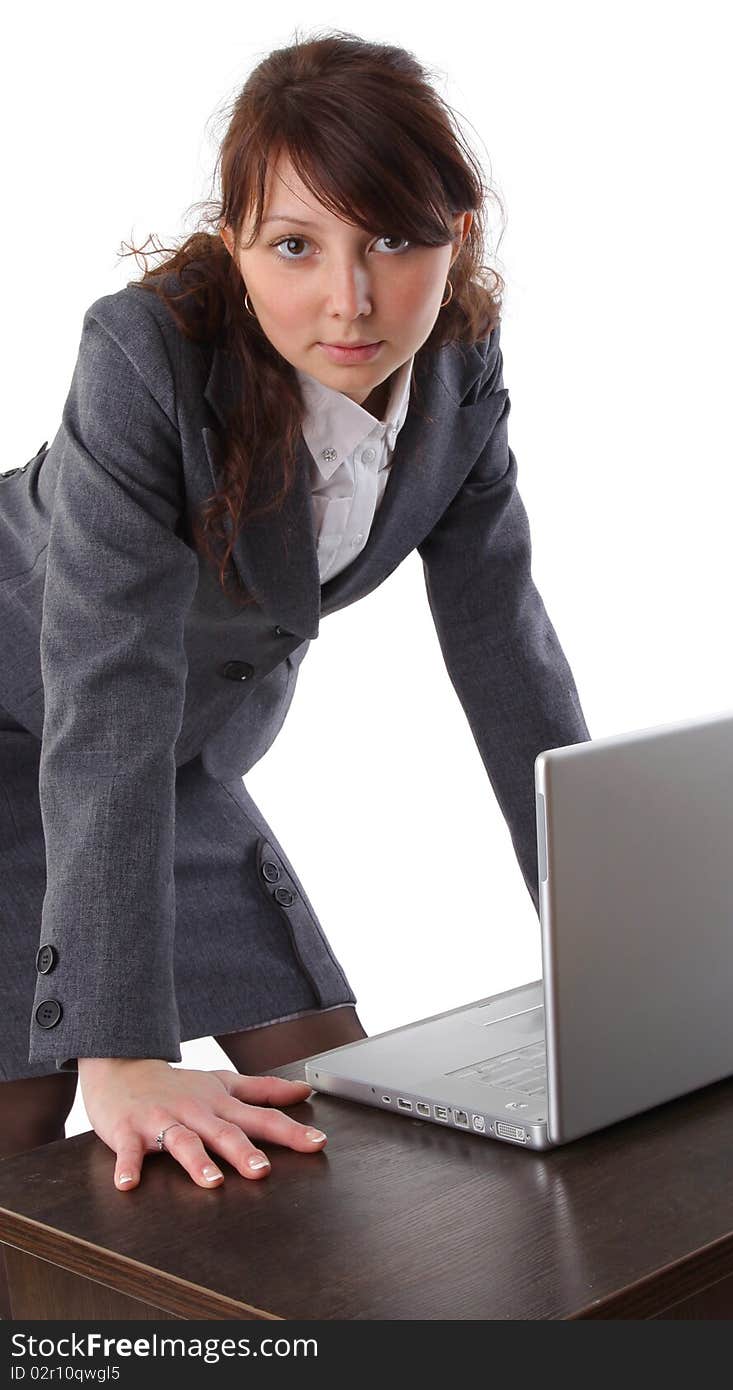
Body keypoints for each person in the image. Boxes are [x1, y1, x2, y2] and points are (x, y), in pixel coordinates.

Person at [0, 25, 589, 1270]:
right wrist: (120, 1047)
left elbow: (505, 644)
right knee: (39, 1130)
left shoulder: (458, 373)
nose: (351, 300)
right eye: (295, 246)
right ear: (233, 243)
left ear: (458, 229)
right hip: (37, 717)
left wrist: (609, 928)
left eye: (393, 238)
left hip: (166, 763)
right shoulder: (142, 356)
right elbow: (104, 677)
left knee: (330, 1107)